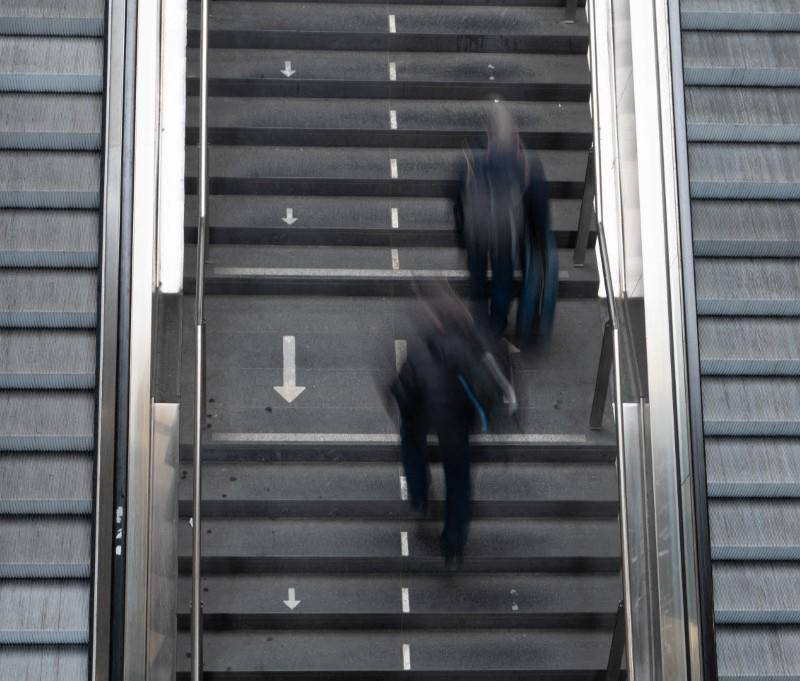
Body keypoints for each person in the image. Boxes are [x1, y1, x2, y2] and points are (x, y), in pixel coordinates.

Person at [389, 289, 514, 566]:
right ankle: (453, 544)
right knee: (459, 481)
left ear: (439, 323)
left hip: (424, 416)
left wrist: (404, 410)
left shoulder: (422, 353)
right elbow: (493, 390)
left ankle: (420, 497)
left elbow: (402, 389)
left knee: (410, 439)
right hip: (457, 428)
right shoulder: (480, 351)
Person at [454, 105, 558, 344]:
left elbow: (457, 197)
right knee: (503, 279)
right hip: (505, 233)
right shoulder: (524, 161)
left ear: (487, 130)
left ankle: (478, 323)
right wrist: (539, 233)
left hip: (476, 231)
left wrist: (461, 232)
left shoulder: (471, 156)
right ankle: (497, 324)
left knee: (477, 279)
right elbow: (538, 202)